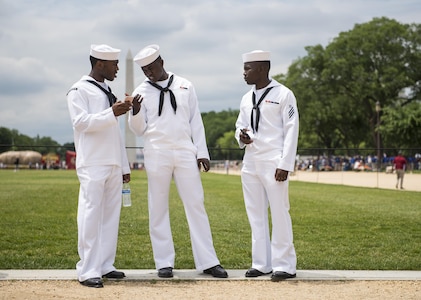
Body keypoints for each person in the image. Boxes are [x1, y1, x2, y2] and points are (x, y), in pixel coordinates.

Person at [128, 44, 228, 279]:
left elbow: (196, 120)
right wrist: (135, 111)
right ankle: (164, 262)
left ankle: (208, 261)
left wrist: (202, 151)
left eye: (151, 68)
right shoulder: (140, 91)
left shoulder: (185, 85)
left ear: (161, 62)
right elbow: (138, 129)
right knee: (158, 206)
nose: (149, 74)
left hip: (185, 150)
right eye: (144, 70)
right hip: (157, 151)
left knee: (196, 204)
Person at [67, 44, 135, 288]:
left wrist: (124, 166)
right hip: (93, 161)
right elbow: (81, 123)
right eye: (113, 64)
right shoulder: (79, 90)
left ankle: (105, 264)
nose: (117, 68)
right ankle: (87, 269)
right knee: (90, 215)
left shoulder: (106, 90)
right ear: (99, 64)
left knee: (110, 217)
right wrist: (111, 112)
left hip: (113, 162)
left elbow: (115, 133)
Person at [235, 50, 299, 282]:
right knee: (255, 214)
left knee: (280, 212)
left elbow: (292, 129)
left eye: (248, 68)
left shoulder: (284, 94)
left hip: (274, 161)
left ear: (263, 69)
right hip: (250, 160)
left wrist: (285, 163)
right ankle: (261, 263)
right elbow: (240, 125)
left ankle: (285, 265)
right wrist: (241, 137)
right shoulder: (245, 98)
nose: (244, 73)